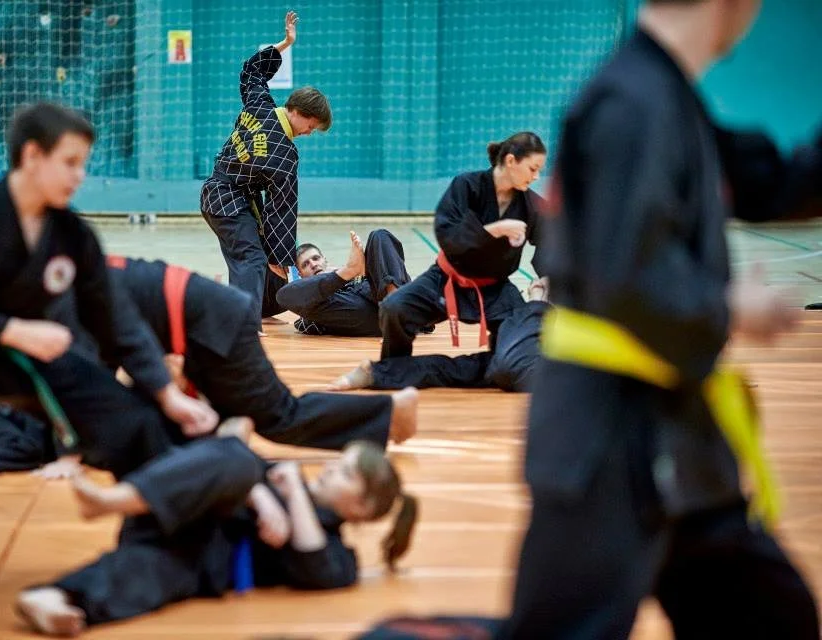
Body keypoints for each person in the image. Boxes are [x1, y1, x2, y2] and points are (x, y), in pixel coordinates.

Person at [363, 1, 822, 638]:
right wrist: (729, 308)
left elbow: (771, 184)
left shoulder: (667, 97)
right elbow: (626, 281)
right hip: (605, 446)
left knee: (774, 618)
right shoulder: (628, 104)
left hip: (677, 442)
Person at [0, 102, 216, 532]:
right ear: (32, 156)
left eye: (82, 164)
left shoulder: (72, 235)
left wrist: (166, 393)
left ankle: (192, 529)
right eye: (69, 163)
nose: (79, 176)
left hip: (35, 366)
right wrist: (12, 330)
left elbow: (117, 321)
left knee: (134, 424)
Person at [15, 437, 418, 636]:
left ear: (361, 508)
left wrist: (294, 492)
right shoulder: (273, 475)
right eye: (338, 463)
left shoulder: (339, 557)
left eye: (346, 474)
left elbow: (316, 567)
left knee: (153, 574)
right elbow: (229, 456)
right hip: (169, 504)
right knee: (235, 456)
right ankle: (109, 500)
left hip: (197, 559)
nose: (330, 471)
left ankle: (52, 597)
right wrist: (261, 494)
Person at [106, 256, 419, 450]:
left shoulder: (78, 281)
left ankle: (388, 414)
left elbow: (121, 348)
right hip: (202, 321)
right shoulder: (80, 270)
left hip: (215, 318)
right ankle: (229, 428)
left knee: (279, 416)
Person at [201, 11, 332, 329]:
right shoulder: (285, 154)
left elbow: (251, 71)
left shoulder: (259, 104)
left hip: (222, 194)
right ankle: (243, 326)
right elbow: (282, 209)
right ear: (298, 112)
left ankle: (235, 311)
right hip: (228, 198)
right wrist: (280, 257)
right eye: (310, 125)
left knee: (251, 255)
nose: (309, 132)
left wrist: (285, 44)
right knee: (254, 258)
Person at [376, 132, 547, 360]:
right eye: (533, 169)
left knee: (518, 343)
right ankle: (392, 369)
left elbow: (553, 243)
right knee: (394, 309)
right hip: (445, 280)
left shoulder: (531, 205)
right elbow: (448, 235)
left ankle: (490, 370)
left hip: (495, 291)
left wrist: (549, 277)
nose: (536, 176)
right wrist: (494, 230)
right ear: (510, 161)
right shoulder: (467, 185)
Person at [329, 278, 549, 392]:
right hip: (537, 352)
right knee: (483, 369)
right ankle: (378, 374)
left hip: (537, 363)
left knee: (489, 370)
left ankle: (377, 374)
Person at [277, 229, 413, 337]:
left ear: (325, 260)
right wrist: (347, 271)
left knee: (380, 235)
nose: (313, 264)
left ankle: (396, 314)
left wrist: (359, 273)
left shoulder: (357, 273)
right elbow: (285, 298)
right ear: (300, 274)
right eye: (305, 264)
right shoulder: (310, 302)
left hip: (384, 298)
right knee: (285, 296)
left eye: (316, 258)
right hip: (354, 310)